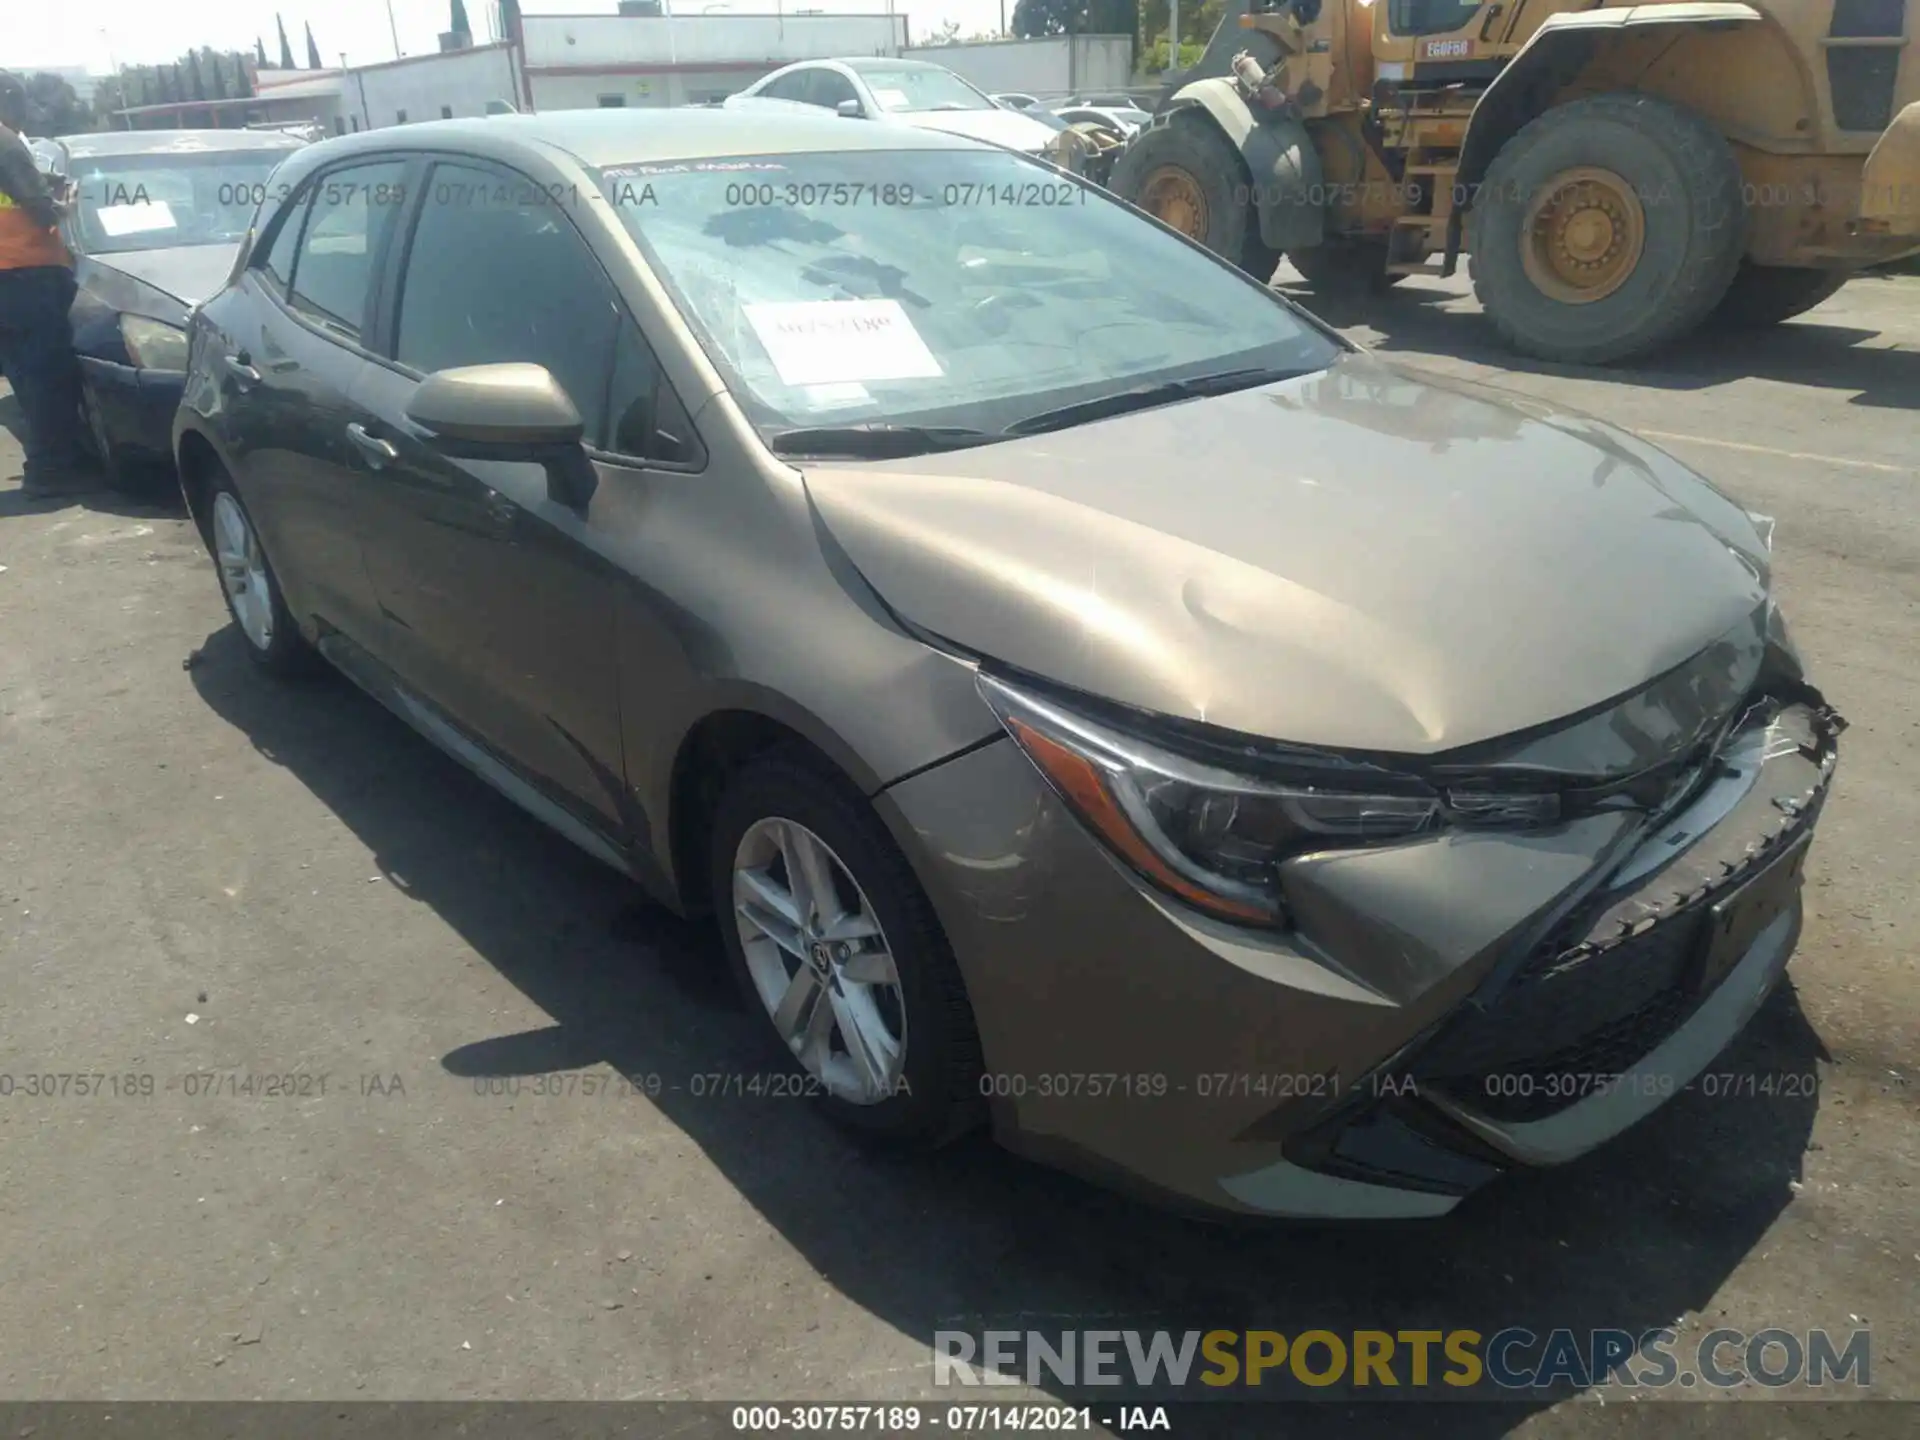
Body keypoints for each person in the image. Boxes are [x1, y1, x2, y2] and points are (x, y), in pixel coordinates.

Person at [0, 74, 93, 500]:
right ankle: (52, 471)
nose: (23, 115)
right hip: (25, 274)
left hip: (10, 277)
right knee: (46, 376)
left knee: (25, 376)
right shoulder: (5, 141)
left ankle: (49, 461)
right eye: (20, 103)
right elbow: (38, 210)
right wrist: (66, 207)